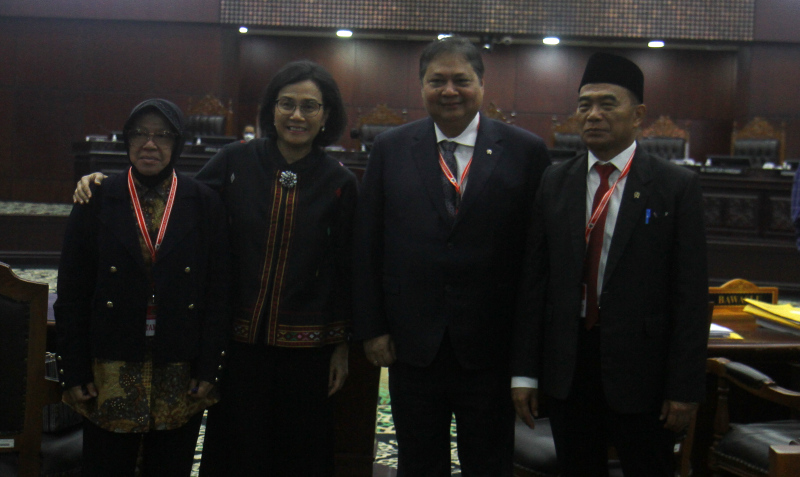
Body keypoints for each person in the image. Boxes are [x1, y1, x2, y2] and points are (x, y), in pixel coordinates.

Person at [74, 61, 356, 476]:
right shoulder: (234, 160)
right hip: (236, 344)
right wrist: (109, 183)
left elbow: (348, 269)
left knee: (301, 453)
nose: (297, 115)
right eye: (287, 104)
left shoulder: (340, 181)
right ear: (271, 110)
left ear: (326, 115)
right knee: (236, 452)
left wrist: (342, 344)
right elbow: (171, 199)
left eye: (310, 106)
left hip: (309, 351)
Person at [353, 36, 551, 475]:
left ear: (481, 84)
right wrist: (373, 328)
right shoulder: (390, 149)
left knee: (489, 461)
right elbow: (368, 245)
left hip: (490, 346)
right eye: (436, 80)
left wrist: (526, 355)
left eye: (461, 80)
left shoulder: (526, 151)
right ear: (421, 85)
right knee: (419, 462)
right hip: (411, 344)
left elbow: (536, 261)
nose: (449, 90)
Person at [511, 52, 709, 477]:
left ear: (638, 115)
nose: (593, 115)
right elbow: (534, 283)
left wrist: (684, 388)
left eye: (607, 104)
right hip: (569, 366)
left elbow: (690, 297)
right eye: (584, 105)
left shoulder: (675, 187)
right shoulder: (555, 181)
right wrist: (524, 374)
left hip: (645, 373)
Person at [55, 98, 231, 476]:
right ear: (127, 139)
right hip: (110, 368)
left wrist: (209, 368)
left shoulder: (203, 202)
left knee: (169, 466)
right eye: (140, 134)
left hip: (178, 369)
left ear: (178, 143)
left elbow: (218, 293)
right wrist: (75, 371)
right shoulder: (97, 197)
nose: (150, 144)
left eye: (162, 135)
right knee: (107, 465)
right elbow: (71, 292)